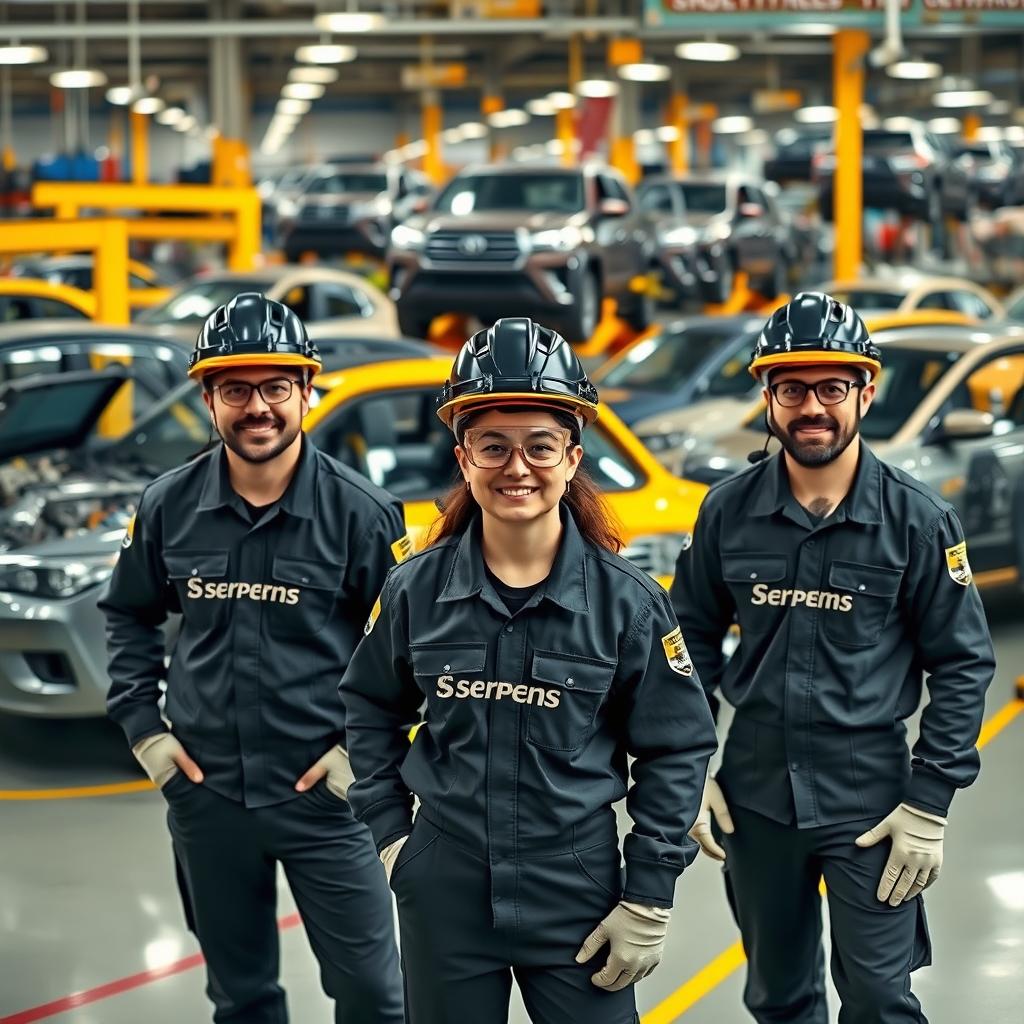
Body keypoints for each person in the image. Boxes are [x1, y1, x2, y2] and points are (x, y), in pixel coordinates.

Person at [339, 317, 717, 1024]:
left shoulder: (629, 605)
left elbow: (677, 747)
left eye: (540, 447)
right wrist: (394, 839)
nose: (517, 468)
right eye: (494, 447)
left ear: (573, 458)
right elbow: (368, 708)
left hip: (576, 886)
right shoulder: (414, 592)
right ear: (463, 457)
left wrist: (648, 896)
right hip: (444, 884)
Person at [671, 292, 996, 1023]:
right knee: (778, 997)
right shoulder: (726, 510)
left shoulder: (917, 520)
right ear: (766, 396)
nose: (811, 406)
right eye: (791, 388)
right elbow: (686, 642)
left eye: (831, 388)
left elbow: (964, 663)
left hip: (872, 804)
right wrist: (687, 767)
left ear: (865, 392)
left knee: (880, 1000)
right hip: (754, 797)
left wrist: (929, 801)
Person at [101, 292, 406, 1024]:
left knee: (374, 993)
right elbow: (129, 613)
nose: (258, 407)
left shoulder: (363, 515)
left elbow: (408, 654)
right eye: (235, 389)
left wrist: (357, 760)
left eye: (276, 387)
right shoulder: (168, 505)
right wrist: (147, 731)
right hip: (207, 795)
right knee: (241, 998)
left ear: (307, 390)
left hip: (327, 802)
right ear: (208, 398)